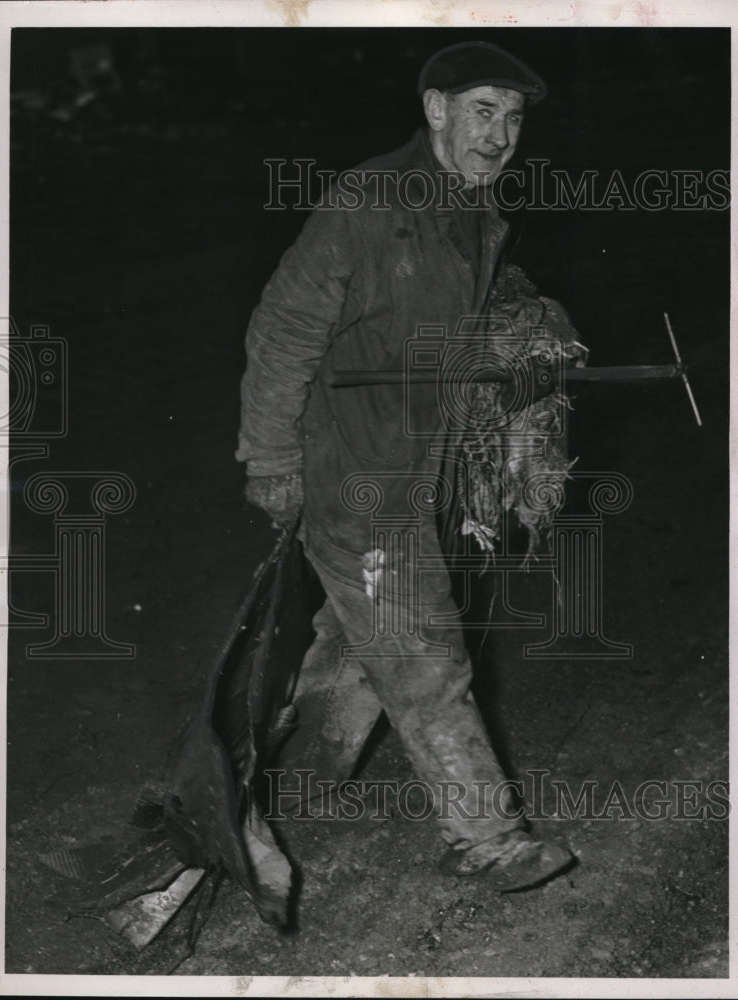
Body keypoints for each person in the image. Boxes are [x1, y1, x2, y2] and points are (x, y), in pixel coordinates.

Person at [236, 41, 576, 891]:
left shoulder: (478, 212)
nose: (499, 137)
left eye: (513, 118)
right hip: (353, 470)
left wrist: (528, 324)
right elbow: (282, 331)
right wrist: (270, 456)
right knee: (421, 646)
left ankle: (291, 769)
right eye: (481, 113)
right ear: (435, 112)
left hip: (418, 465)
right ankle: (489, 839)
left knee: (360, 636)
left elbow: (468, 307)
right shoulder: (367, 200)